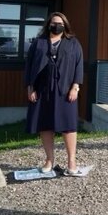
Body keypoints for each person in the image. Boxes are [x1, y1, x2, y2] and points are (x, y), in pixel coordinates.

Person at [24, 12, 84, 176]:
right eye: (53, 22)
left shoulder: (73, 43)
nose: (56, 25)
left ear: (65, 26)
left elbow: (79, 65)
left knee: (68, 126)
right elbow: (29, 66)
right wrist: (30, 87)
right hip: (42, 89)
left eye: (60, 23)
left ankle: (72, 161)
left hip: (65, 89)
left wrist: (75, 87)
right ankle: (49, 160)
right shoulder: (39, 43)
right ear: (48, 25)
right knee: (45, 125)